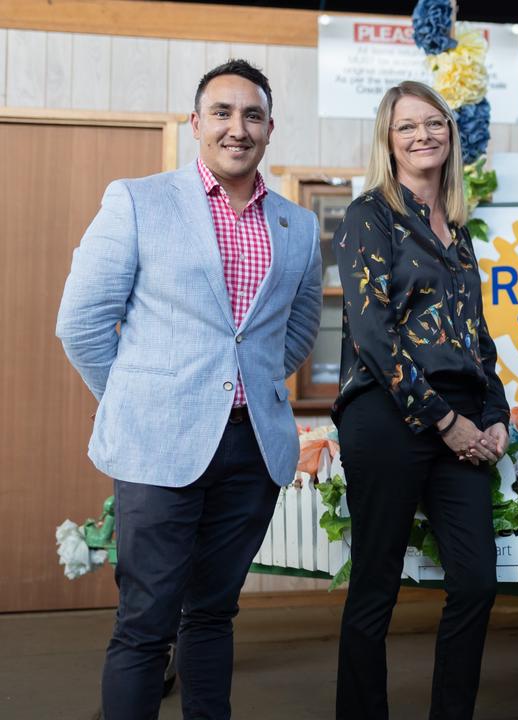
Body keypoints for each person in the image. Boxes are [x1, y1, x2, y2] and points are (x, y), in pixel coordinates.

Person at [56, 59, 323, 719]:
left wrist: (252, 385)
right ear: (197, 123)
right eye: (224, 113)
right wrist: (138, 397)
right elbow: (82, 324)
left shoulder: (298, 225)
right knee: (145, 623)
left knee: (212, 614)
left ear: (270, 128)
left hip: (250, 451)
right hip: (157, 445)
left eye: (253, 115)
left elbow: (295, 333)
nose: (239, 128)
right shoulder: (139, 199)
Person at [331, 80, 509, 720]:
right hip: (387, 414)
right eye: (407, 126)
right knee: (375, 589)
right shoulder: (367, 216)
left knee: (477, 583)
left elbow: (478, 337)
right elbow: (374, 337)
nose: (423, 135)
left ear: (450, 134)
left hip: (461, 418)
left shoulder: (458, 230)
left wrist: (494, 417)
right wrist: (445, 420)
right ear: (388, 139)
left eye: (434, 123)